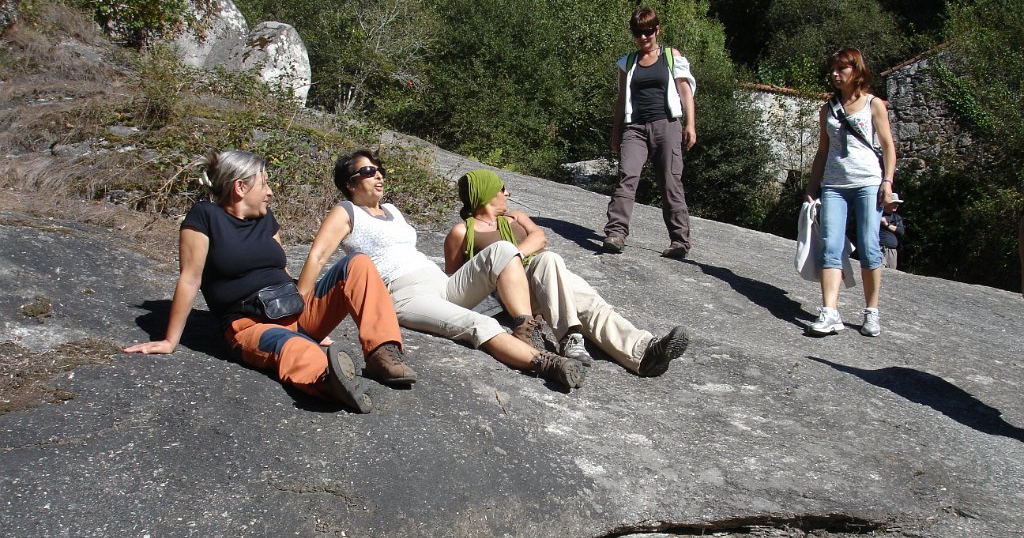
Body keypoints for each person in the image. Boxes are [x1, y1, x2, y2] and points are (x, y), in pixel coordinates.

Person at [123, 150, 415, 414]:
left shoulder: (265, 217)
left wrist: (312, 317)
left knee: (358, 263)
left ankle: (382, 353)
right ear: (240, 187)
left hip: (294, 311)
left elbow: (282, 270)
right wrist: (170, 341)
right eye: (264, 184)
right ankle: (329, 379)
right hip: (251, 325)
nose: (270, 192)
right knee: (296, 347)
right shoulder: (205, 217)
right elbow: (190, 279)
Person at [296, 150, 586, 390]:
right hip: (406, 294)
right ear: (350, 183)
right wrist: (299, 310)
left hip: (443, 284)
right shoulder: (346, 211)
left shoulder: (392, 210)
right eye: (369, 171)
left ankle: (524, 327)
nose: (379, 176)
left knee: (503, 249)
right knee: (480, 324)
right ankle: (546, 363)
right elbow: (318, 257)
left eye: (379, 169)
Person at [444, 169, 690, 377]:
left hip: (543, 278)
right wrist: (507, 265)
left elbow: (540, 238)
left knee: (588, 302)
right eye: (502, 189)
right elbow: (456, 282)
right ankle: (570, 337)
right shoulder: (461, 232)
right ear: (488, 192)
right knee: (550, 261)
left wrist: (512, 257)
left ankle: (645, 353)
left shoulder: (515, 217)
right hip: (509, 294)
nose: (507, 193)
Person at [804, 47, 897, 337]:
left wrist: (887, 182)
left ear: (856, 71)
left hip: (868, 182)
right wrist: (812, 187)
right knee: (830, 246)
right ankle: (830, 311)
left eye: (841, 68)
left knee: (869, 247)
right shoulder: (828, 109)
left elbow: (888, 146)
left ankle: (871, 312)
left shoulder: (873, 104)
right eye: (832, 69)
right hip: (834, 185)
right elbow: (822, 151)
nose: (835, 74)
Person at [603, 7, 697, 260]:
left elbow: (685, 91)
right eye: (638, 32)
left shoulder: (671, 56)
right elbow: (621, 100)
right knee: (627, 175)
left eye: (648, 31)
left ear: (657, 30)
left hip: (666, 124)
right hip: (634, 128)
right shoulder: (628, 63)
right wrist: (615, 134)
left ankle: (679, 241)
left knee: (670, 181)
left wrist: (690, 125)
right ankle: (615, 234)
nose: (643, 37)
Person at [879, 196, 905, 269]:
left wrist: (886, 224)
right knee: (880, 270)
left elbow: (901, 231)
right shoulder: (878, 215)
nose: (897, 205)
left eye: (897, 203)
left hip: (892, 251)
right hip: (879, 249)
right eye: (894, 203)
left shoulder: (897, 218)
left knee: (891, 272)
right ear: (887, 203)